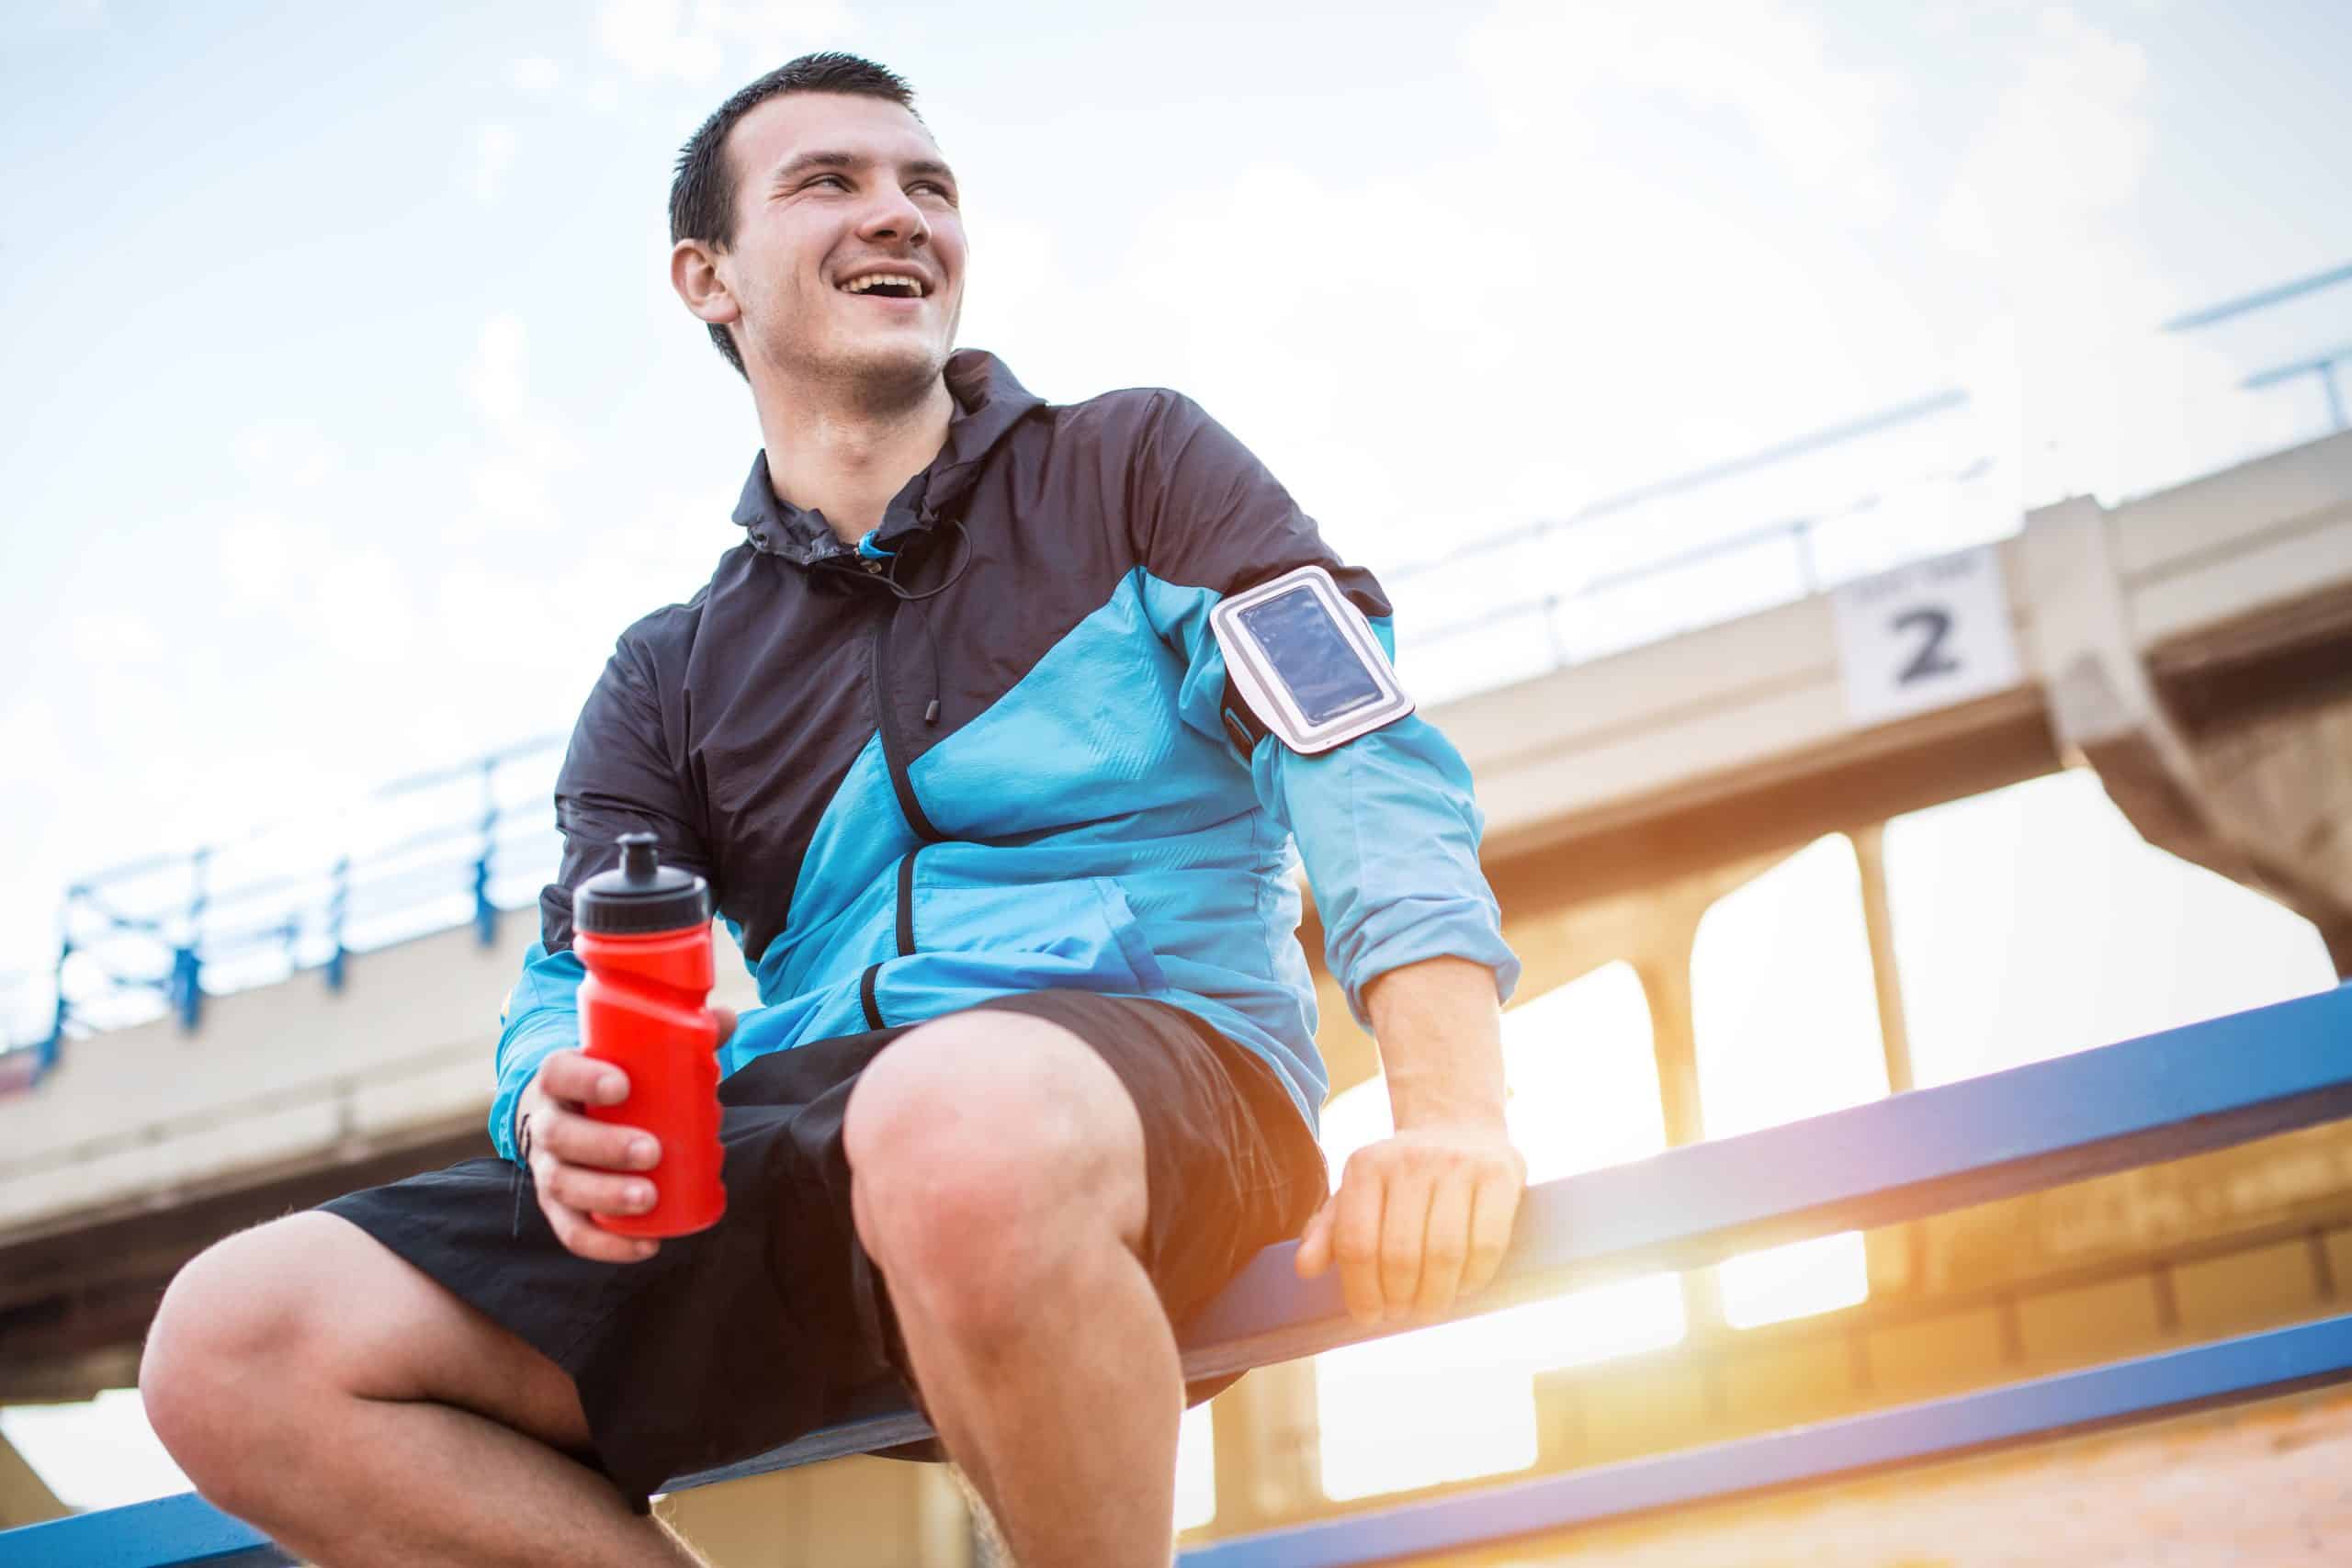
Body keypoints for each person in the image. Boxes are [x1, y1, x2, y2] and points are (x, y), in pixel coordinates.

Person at [139, 52, 1526, 1568]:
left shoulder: (1136, 467)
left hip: (1149, 1093)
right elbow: (576, 980)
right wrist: (553, 1098)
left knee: (950, 1118)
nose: (901, 216)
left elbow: (1358, 750)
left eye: (928, 186)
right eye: (832, 183)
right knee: (232, 1344)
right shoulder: (672, 672)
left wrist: (1451, 1113)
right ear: (708, 277)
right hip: (817, 1144)